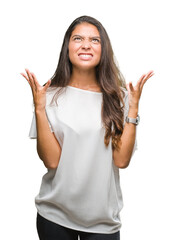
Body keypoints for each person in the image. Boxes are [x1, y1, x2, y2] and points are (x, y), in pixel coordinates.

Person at [21, 15, 154, 240]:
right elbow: (51, 161)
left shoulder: (119, 98)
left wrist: (132, 110)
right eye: (78, 38)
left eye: (95, 40)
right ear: (67, 47)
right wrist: (39, 109)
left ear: (103, 49)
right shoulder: (48, 96)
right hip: (55, 216)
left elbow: (122, 160)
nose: (85, 45)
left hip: (102, 222)